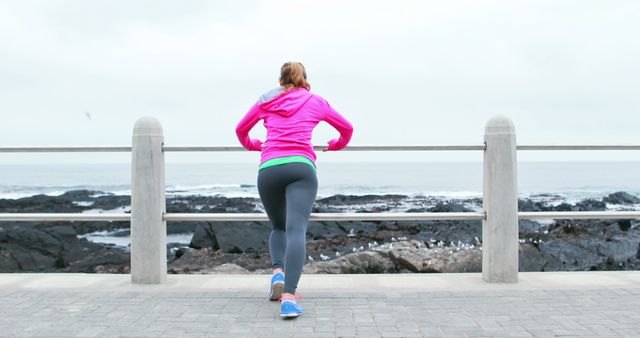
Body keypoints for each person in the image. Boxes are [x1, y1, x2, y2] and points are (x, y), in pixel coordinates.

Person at [235, 61, 354, 318]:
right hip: (301, 168)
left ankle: (277, 273)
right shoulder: (315, 101)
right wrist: (336, 144)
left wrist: (253, 144)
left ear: (280, 81)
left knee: (278, 227)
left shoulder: (265, 101)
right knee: (296, 229)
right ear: (304, 80)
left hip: (269, 170)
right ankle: (289, 297)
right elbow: (347, 129)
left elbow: (240, 129)